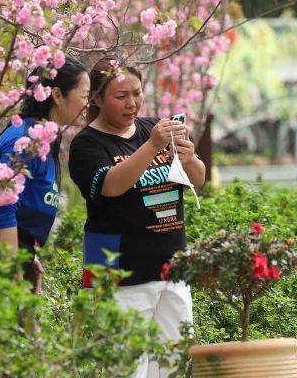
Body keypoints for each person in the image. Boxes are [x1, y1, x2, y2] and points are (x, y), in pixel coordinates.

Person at [68, 58, 205, 378]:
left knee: (173, 364)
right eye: (121, 96)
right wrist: (152, 145)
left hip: (171, 267)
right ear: (98, 99)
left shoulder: (154, 127)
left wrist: (189, 157)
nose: (132, 103)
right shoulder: (86, 144)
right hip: (117, 272)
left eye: (137, 93)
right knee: (127, 368)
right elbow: (111, 186)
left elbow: (197, 179)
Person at [0, 55, 91, 293]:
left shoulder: (43, 138)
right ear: (57, 95)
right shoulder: (24, 142)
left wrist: (27, 255)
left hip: (9, 253)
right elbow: (2, 209)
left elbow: (25, 206)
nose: (88, 104)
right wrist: (12, 275)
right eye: (84, 96)